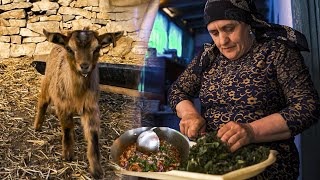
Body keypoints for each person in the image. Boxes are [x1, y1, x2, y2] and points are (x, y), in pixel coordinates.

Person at [168, 0, 320, 179]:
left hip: (266, 167)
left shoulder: (276, 52)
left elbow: (307, 107)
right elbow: (178, 90)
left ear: (247, 23)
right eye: (214, 33)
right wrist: (189, 114)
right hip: (213, 166)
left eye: (229, 28)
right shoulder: (207, 58)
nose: (222, 41)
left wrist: (251, 131)